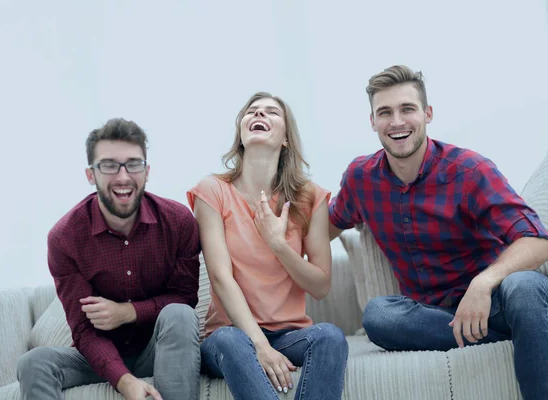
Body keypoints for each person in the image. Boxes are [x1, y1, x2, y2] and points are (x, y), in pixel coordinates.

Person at [328, 65, 548, 399]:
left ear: (427, 113)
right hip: (430, 315)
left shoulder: (470, 170)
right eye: (385, 112)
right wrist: (272, 238)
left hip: (492, 301)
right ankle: (512, 331)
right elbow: (325, 226)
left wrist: (484, 282)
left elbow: (536, 240)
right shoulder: (361, 178)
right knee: (379, 315)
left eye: (407, 109)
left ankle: (516, 330)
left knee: (525, 287)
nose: (397, 121)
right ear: (372, 122)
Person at [17, 118, 202, 400]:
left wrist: (127, 312)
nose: (123, 176)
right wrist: (124, 381)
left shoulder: (178, 222)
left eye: (133, 164)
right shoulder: (64, 238)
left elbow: (185, 298)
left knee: (179, 314)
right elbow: (82, 329)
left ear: (147, 171)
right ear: (91, 174)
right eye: (109, 165)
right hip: (100, 358)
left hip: (158, 350)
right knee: (33, 362)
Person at [187, 92, 348, 400]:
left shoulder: (310, 197)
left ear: (286, 138)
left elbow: (321, 285)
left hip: (288, 335)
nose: (259, 115)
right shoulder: (212, 191)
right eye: (252, 111)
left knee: (330, 337)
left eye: (272, 112)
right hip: (231, 334)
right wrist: (259, 345)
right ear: (242, 133)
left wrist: (278, 244)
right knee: (230, 341)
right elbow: (220, 279)